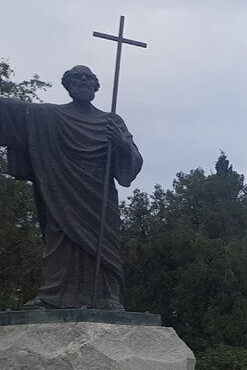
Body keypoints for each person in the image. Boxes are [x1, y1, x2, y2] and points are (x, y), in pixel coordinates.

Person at [0, 65, 142, 309]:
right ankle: (52, 297)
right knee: (60, 241)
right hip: (61, 192)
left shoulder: (111, 121)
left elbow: (133, 163)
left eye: (89, 78)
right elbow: (12, 112)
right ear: (68, 85)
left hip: (99, 196)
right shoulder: (48, 116)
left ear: (96, 86)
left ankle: (107, 298)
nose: (83, 81)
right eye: (77, 78)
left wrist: (121, 143)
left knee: (104, 245)